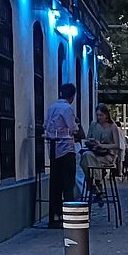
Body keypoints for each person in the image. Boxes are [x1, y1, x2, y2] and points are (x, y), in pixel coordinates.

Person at [44, 82, 80, 227]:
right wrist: (76, 126)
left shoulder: (51, 107)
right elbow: (73, 128)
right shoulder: (67, 108)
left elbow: (45, 125)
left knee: (55, 184)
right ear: (72, 96)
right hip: (66, 149)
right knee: (68, 184)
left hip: (53, 150)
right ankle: (69, 216)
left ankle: (55, 216)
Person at [81, 105, 121, 203]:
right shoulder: (93, 125)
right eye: (97, 115)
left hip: (107, 155)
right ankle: (96, 183)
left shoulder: (112, 127)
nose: (99, 117)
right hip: (95, 153)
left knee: (89, 160)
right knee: (86, 156)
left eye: (101, 115)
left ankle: (94, 183)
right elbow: (87, 139)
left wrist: (102, 145)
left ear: (106, 115)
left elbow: (116, 145)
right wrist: (92, 143)